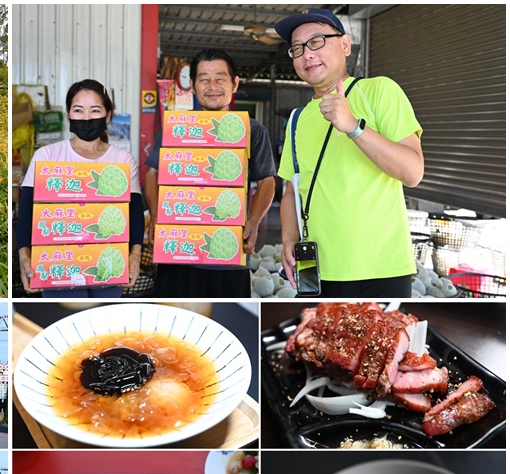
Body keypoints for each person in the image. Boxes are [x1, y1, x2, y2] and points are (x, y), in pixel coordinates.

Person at [275, 8, 423, 297]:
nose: (306, 54)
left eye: (316, 41)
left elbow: (413, 171)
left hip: (381, 268)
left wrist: (354, 127)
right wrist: (288, 239)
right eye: (296, 48)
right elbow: (292, 190)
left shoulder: (379, 91)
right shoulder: (296, 120)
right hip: (313, 269)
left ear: (345, 44)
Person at [144, 49, 277, 298]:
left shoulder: (253, 130)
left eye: (220, 78)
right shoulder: (177, 129)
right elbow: (152, 171)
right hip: (178, 250)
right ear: (193, 86)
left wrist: (254, 222)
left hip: (228, 254)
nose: (212, 86)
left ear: (235, 83)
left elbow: (267, 180)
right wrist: (155, 215)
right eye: (204, 79)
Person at [16, 79, 145, 298]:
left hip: (108, 263)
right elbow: (27, 212)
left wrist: (135, 255)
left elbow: (134, 214)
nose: (86, 118)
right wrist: (24, 258)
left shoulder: (122, 160)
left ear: (108, 114)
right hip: (58, 263)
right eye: (78, 110)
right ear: (69, 114)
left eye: (95, 110)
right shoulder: (47, 156)